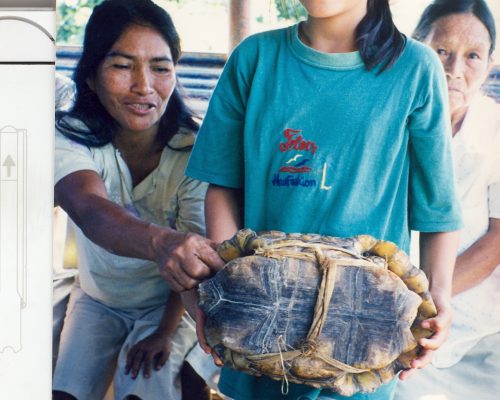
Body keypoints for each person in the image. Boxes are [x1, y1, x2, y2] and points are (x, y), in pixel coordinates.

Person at [183, 0, 464, 399]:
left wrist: (439, 300)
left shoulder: (415, 69)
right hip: (259, 331)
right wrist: (222, 292)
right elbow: (224, 186)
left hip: (363, 340)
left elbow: (436, 210)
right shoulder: (255, 59)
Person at [52, 1, 223, 399]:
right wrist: (162, 243)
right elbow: (89, 210)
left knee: (145, 388)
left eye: (160, 68)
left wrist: (166, 332)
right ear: (91, 76)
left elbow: (192, 268)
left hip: (167, 305)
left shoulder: (195, 151)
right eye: (123, 65)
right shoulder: (69, 137)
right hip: (98, 298)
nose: (144, 85)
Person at [394, 1, 500, 399]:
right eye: (442, 51)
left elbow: (497, 241)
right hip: (394, 323)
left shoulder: (496, 130)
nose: (455, 69)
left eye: (472, 55)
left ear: (490, 64)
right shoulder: (391, 121)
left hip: (480, 331)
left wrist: (424, 300)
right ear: (416, 50)